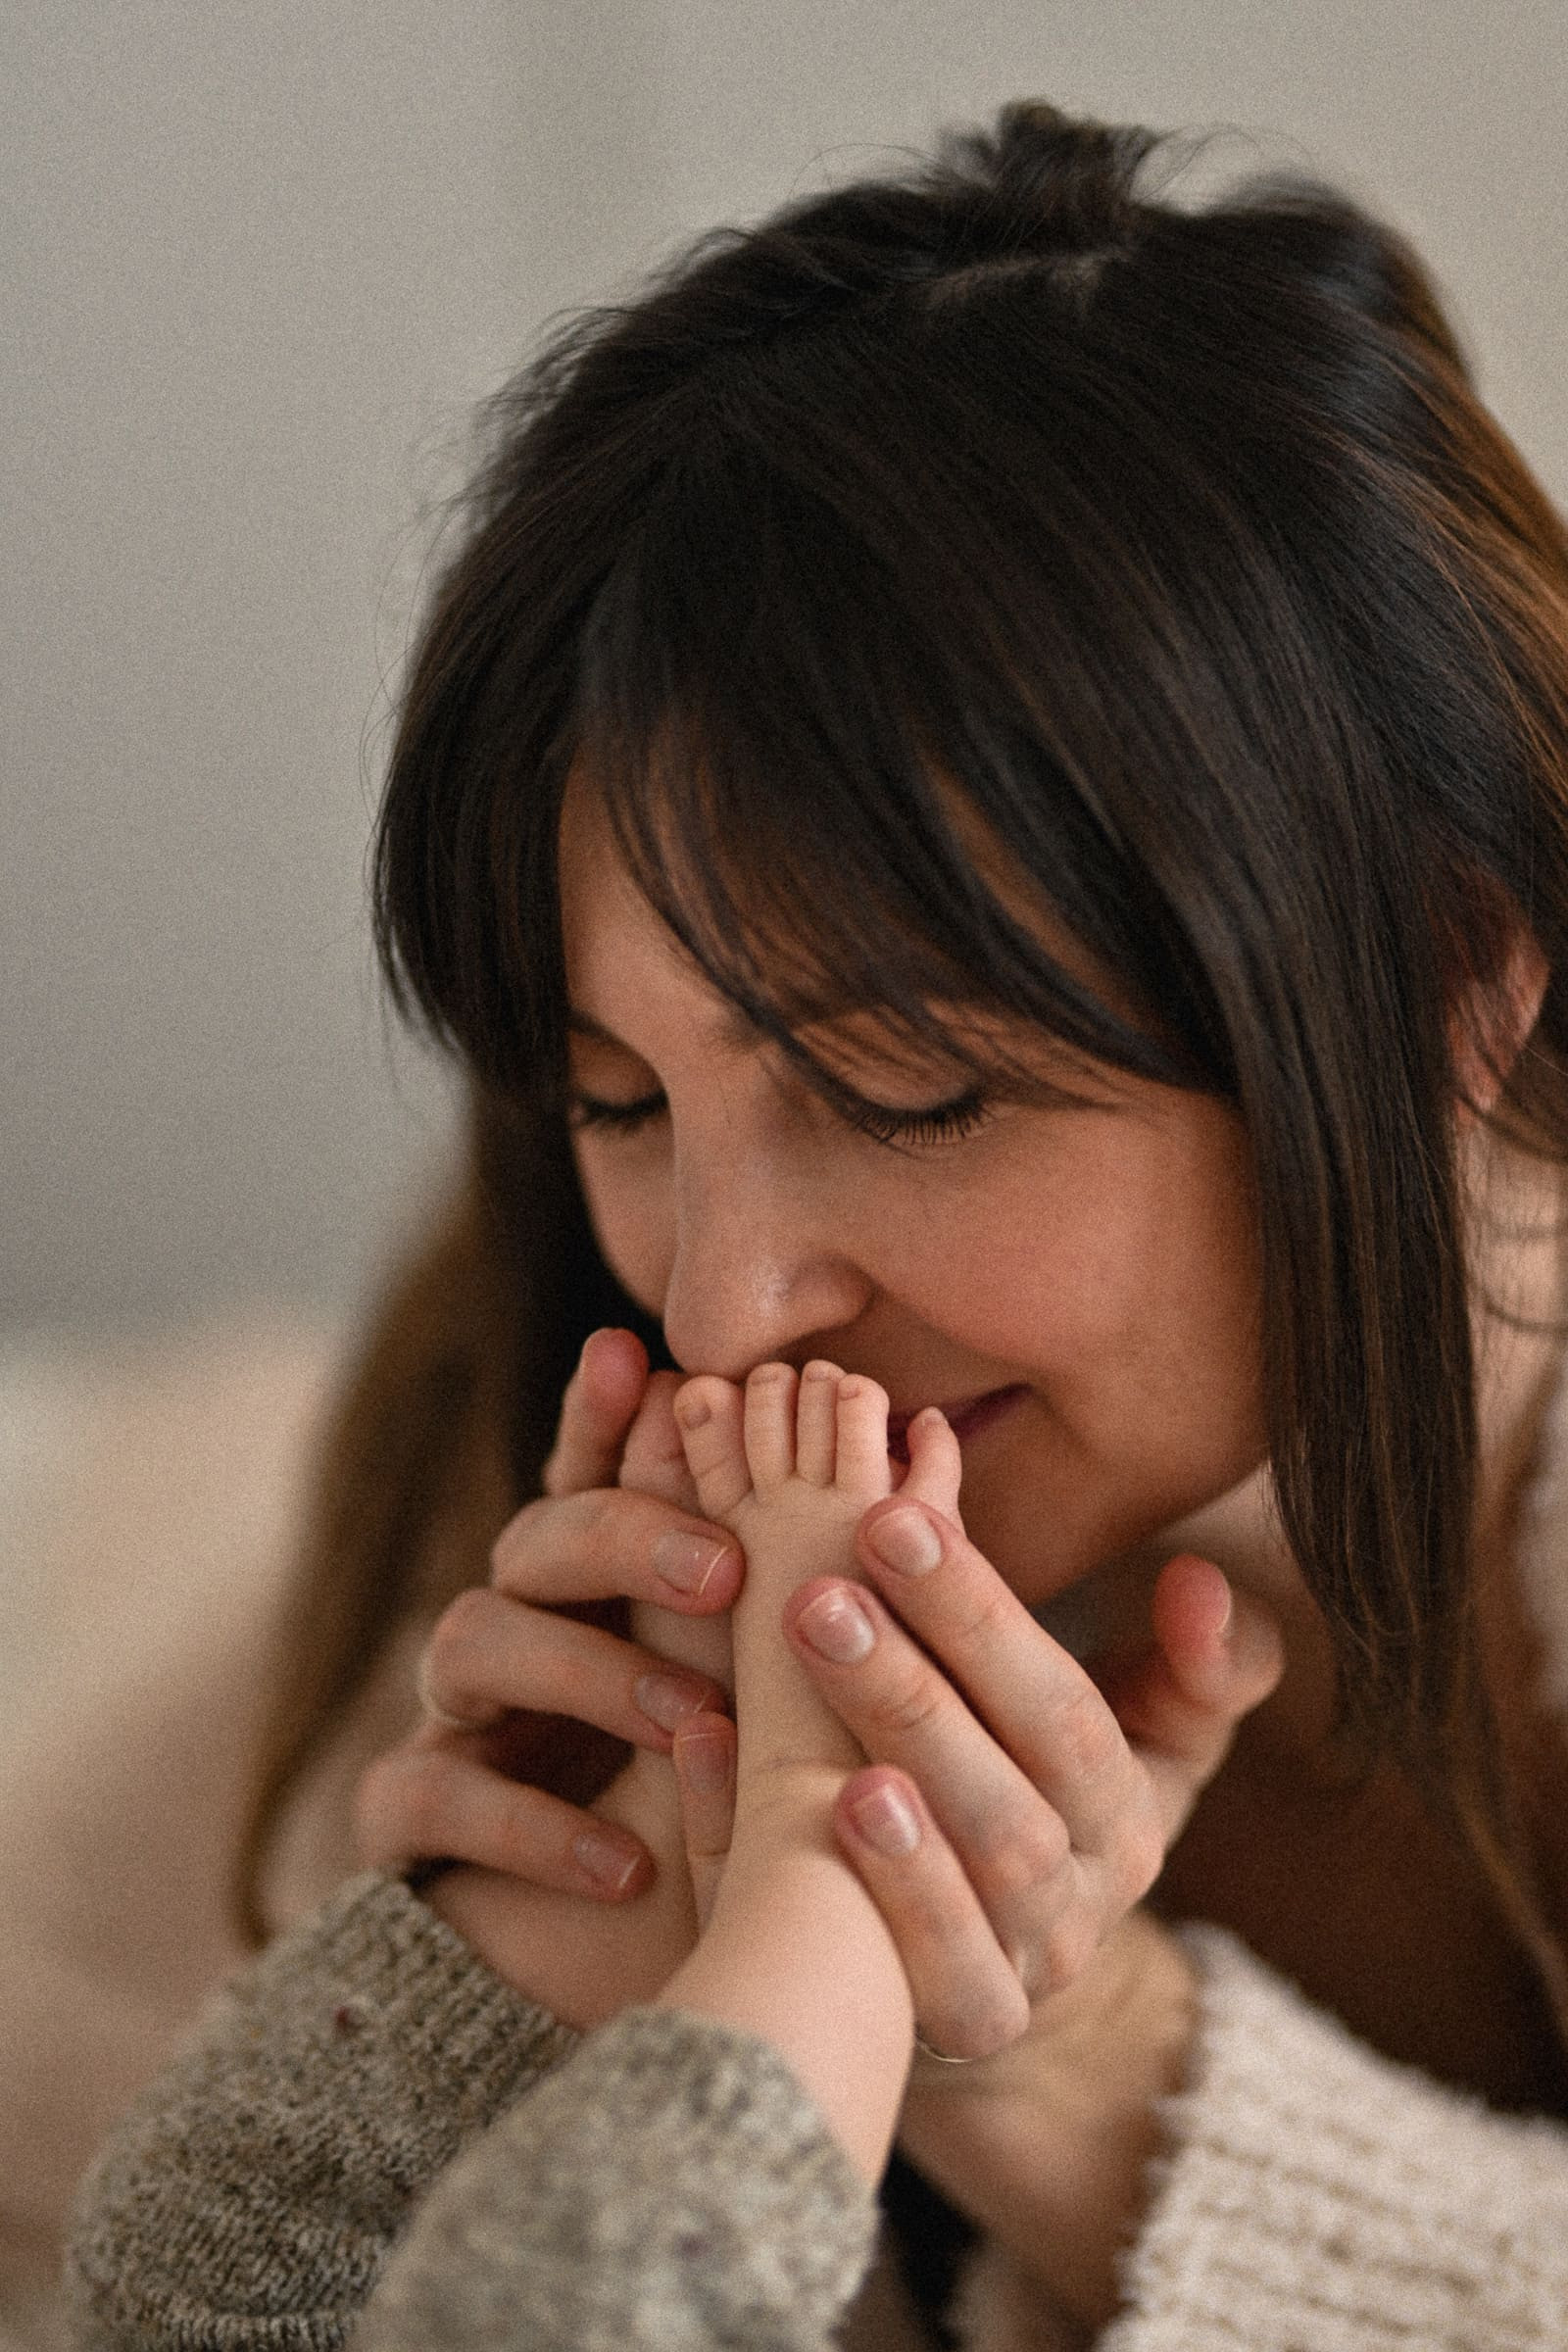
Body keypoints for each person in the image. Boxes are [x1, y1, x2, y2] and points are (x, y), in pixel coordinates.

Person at [65, 95, 1568, 2350]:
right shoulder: (553, 1441)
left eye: (904, 1089)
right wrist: (526, 2015)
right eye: (617, 1093)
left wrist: (1041, 2056)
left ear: (1449, 989)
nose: (721, 1294)